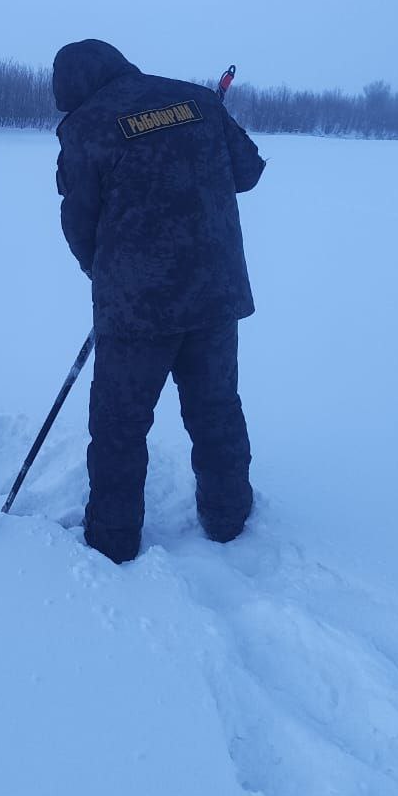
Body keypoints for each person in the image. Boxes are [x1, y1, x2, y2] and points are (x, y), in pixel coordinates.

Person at [53, 39, 266, 564]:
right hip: (214, 295)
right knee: (215, 408)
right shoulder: (198, 100)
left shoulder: (84, 126)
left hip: (136, 310)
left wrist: (103, 274)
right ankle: (228, 520)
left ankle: (112, 541)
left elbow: (79, 224)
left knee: (119, 426)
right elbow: (248, 171)